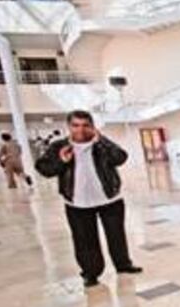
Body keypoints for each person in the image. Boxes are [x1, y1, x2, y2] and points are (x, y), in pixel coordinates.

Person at [35, 110, 142, 287]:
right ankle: (90, 273)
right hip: (77, 204)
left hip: (110, 200)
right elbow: (44, 169)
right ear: (69, 127)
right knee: (84, 240)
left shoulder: (101, 143)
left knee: (116, 236)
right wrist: (61, 161)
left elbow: (120, 158)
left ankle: (123, 265)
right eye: (76, 125)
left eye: (85, 125)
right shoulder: (58, 146)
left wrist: (102, 142)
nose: (81, 129)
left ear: (92, 126)